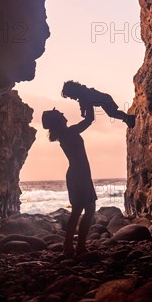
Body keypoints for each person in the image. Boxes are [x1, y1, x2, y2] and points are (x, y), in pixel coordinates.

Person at [42, 107, 97, 257]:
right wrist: (88, 101)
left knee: (83, 211)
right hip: (79, 175)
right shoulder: (70, 132)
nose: (64, 114)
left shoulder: (65, 134)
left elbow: (89, 120)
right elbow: (89, 120)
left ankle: (75, 246)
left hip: (80, 174)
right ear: (59, 120)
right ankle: (72, 247)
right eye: (61, 114)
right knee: (82, 211)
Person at [61, 80, 136, 128]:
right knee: (113, 113)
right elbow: (82, 105)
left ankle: (127, 118)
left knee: (112, 113)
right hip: (104, 100)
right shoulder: (82, 94)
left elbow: (83, 104)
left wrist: (83, 112)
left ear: (73, 92)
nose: (71, 98)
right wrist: (83, 112)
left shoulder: (83, 94)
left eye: (70, 96)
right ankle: (126, 118)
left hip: (105, 100)